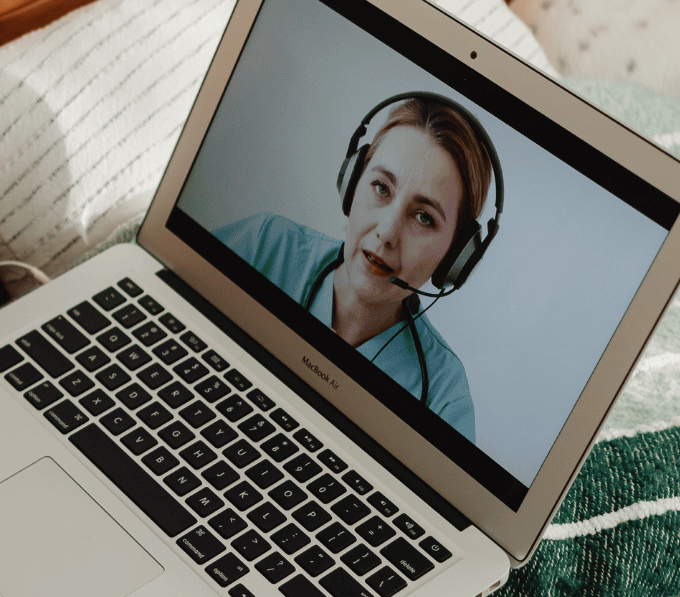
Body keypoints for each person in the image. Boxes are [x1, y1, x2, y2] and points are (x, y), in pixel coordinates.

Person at [214, 94, 499, 442]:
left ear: (455, 257)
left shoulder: (444, 395)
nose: (387, 231)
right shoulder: (264, 246)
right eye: (381, 188)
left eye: (424, 217)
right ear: (352, 181)